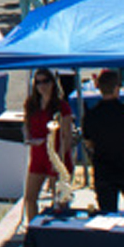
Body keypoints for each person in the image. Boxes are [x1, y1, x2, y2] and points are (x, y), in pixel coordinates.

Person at [23, 69, 74, 223]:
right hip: (38, 155)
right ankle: (33, 230)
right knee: (30, 197)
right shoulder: (31, 104)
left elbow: (66, 136)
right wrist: (28, 138)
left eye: (45, 81)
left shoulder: (61, 106)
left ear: (53, 83)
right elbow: (26, 126)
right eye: (38, 82)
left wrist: (58, 160)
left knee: (58, 200)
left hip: (56, 156)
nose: (42, 86)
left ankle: (57, 231)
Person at [83, 69, 124, 213]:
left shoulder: (91, 115)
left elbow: (88, 142)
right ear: (116, 88)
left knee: (107, 217)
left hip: (103, 169)